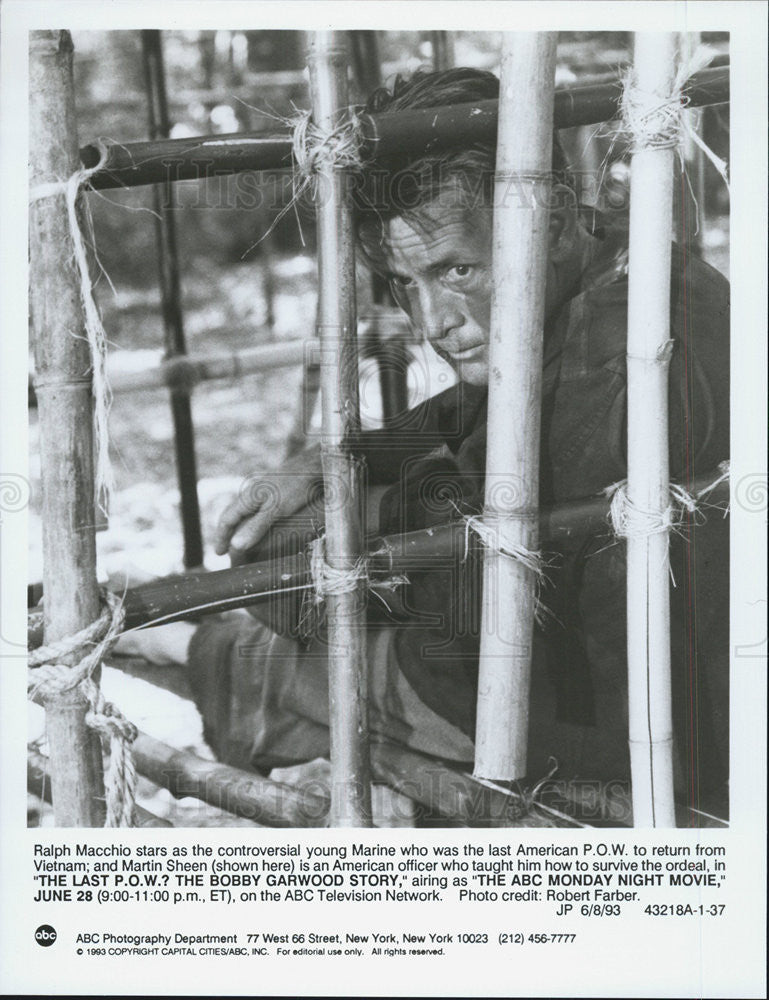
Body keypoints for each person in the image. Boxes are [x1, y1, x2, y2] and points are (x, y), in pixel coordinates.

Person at [119, 69, 730, 820]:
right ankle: (206, 639)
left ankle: (194, 650)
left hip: (601, 732)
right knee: (296, 563)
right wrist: (329, 463)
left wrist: (346, 533)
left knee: (289, 621)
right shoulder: (629, 273)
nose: (430, 321)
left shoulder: (612, 385)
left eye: (457, 270)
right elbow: (486, 399)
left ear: (557, 217)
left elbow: (476, 623)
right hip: (562, 660)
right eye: (402, 282)